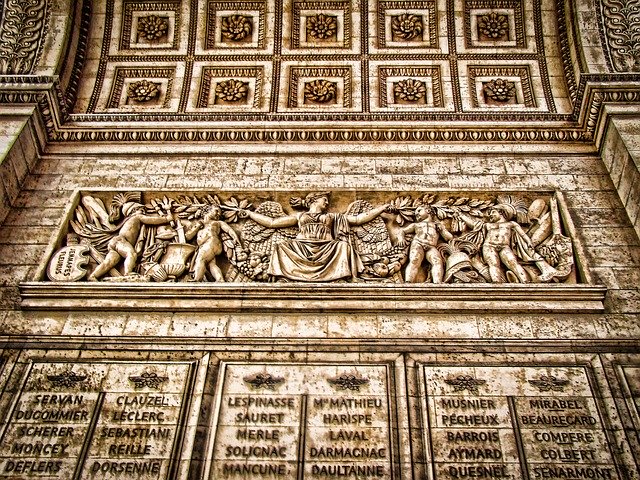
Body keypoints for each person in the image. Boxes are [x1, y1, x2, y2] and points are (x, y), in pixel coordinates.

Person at [240, 192, 391, 282]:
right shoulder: (300, 216)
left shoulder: (333, 216)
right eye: (324, 198)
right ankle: (283, 276)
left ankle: (343, 276)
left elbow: (359, 219)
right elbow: (272, 223)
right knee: (280, 246)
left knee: (344, 246)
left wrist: (382, 208)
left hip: (327, 247)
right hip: (301, 247)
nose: (326, 201)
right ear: (314, 200)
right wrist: (250, 214)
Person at [459, 198, 557, 283]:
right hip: (489, 246)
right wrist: (461, 215)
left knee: (513, 263)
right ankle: (496, 283)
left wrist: (529, 243)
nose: (490, 215)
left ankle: (526, 282)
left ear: (502, 212)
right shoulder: (488, 225)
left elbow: (522, 235)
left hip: (504, 247)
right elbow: (473, 224)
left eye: (493, 212)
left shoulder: (511, 224)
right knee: (493, 264)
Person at [88, 202, 173, 281]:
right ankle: (127, 273)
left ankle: (93, 276)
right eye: (141, 209)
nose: (143, 211)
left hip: (115, 243)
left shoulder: (131, 220)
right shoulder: (137, 217)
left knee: (109, 262)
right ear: (133, 210)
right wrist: (166, 218)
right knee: (131, 254)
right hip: (121, 241)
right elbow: (151, 220)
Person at [397, 205, 453, 283]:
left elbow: (449, 237)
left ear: (428, 211)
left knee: (437, 261)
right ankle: (408, 282)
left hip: (431, 246)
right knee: (414, 260)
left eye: (419, 210)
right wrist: (401, 238)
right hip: (418, 243)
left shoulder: (436, 225)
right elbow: (402, 231)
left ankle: (438, 283)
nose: (416, 213)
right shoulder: (416, 225)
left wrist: (442, 230)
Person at [185, 204, 240, 282]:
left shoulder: (217, 223)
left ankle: (197, 279)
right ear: (207, 210)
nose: (218, 214)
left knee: (201, 259)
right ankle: (220, 279)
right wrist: (197, 227)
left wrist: (235, 237)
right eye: (216, 211)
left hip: (211, 243)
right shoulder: (200, 224)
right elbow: (188, 237)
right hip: (207, 246)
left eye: (219, 213)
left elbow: (229, 230)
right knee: (211, 264)